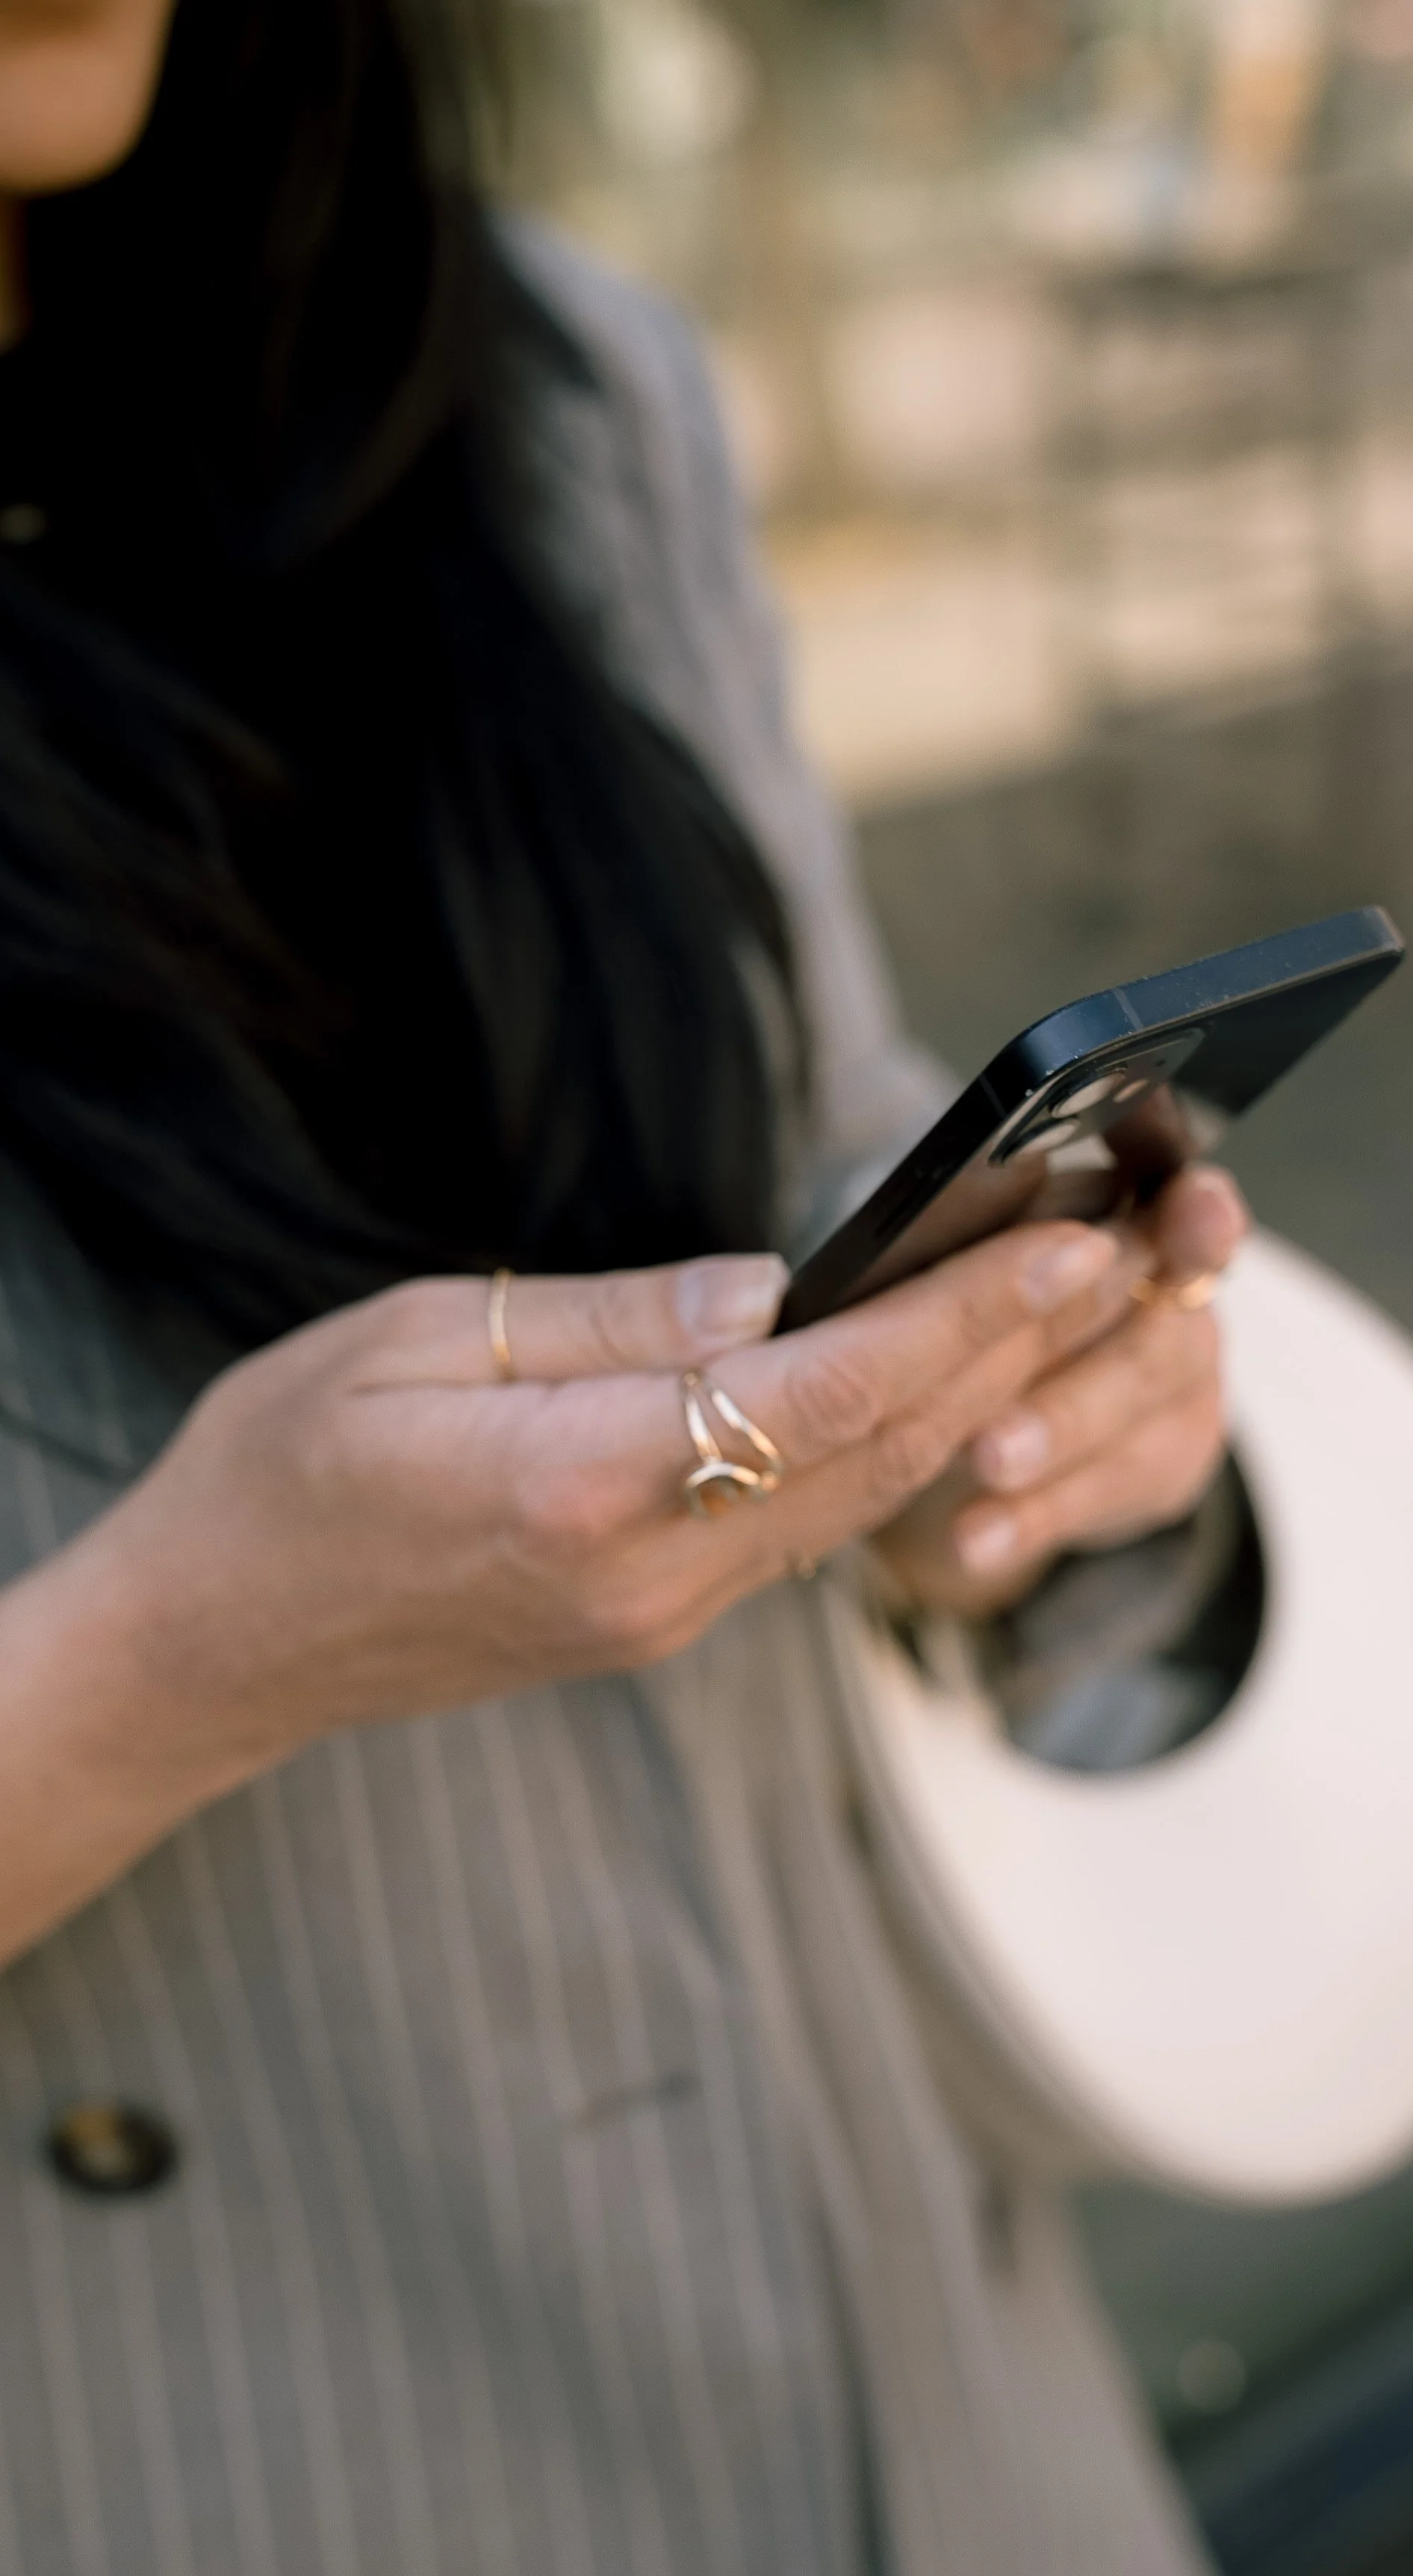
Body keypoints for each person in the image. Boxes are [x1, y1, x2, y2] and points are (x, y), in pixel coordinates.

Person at [0, 4, 1249, 2571]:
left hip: (914, 2382)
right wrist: (167, 1655)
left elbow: (806, 1140)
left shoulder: (535, 388)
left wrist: (994, 1436)